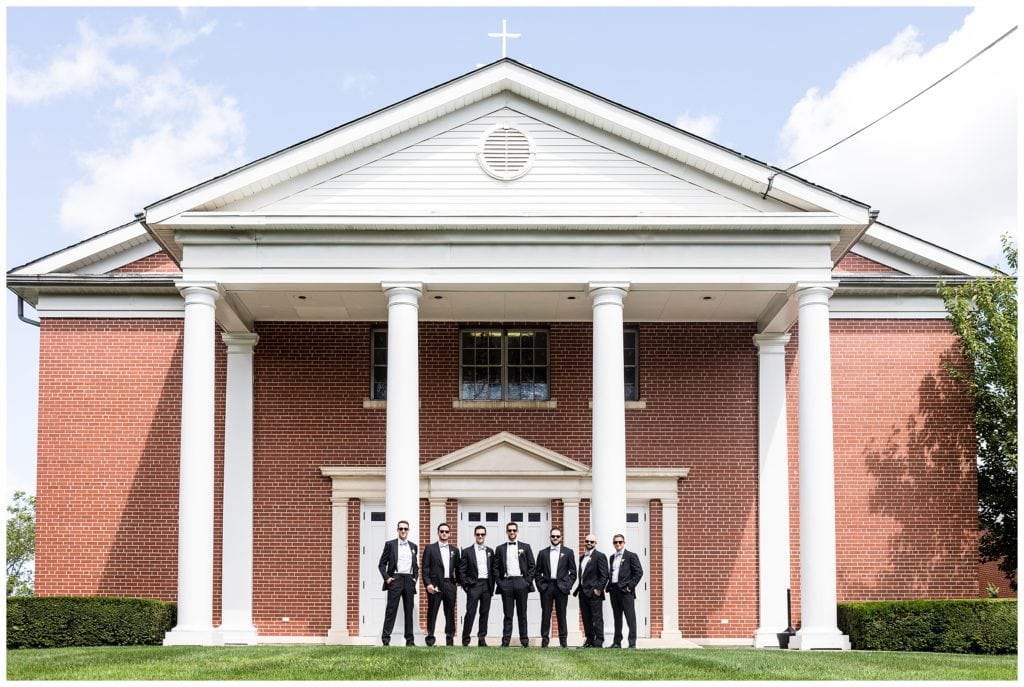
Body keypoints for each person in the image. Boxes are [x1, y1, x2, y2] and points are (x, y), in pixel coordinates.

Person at [492, 521, 536, 647]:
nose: (512, 532)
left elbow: (532, 566)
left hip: (521, 582)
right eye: (509, 530)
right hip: (506, 583)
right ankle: (505, 642)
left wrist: (527, 582)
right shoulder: (500, 548)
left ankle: (524, 641)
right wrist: (500, 583)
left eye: (514, 530)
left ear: (517, 531)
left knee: (522, 614)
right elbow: (495, 568)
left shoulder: (526, 547)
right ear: (506, 532)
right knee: (508, 614)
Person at [378, 519, 418, 646]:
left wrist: (415, 578)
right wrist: (387, 578)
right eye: (401, 529)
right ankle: (385, 639)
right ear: (397, 530)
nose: (403, 531)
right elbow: (381, 564)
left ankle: (410, 641)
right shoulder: (390, 545)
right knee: (391, 610)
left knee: (409, 611)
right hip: (395, 579)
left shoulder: (413, 546)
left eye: (405, 529)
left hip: (409, 580)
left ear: (408, 530)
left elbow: (415, 565)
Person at [534, 527, 576, 648]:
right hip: (547, 587)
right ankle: (545, 641)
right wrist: (541, 586)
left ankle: (563, 642)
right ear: (550, 537)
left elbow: (573, 572)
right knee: (546, 614)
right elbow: (537, 572)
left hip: (562, 588)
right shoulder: (543, 553)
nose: (555, 538)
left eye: (557, 536)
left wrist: (567, 586)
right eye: (553, 536)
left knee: (561, 614)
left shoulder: (568, 552)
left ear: (561, 537)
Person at [421, 522, 460, 646]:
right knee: (432, 612)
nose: (444, 533)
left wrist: (458, 582)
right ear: (438, 533)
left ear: (450, 534)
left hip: (449, 585)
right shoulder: (430, 548)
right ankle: (430, 640)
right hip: (435, 586)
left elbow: (459, 568)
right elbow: (425, 569)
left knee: (450, 613)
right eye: (442, 531)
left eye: (446, 532)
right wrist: (428, 584)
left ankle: (450, 640)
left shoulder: (455, 550)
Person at [459, 525, 495, 647]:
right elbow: (461, 571)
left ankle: (482, 639)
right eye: (478, 534)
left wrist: (492, 586)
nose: (480, 536)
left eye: (482, 534)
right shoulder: (467, 551)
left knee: (484, 613)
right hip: (474, 585)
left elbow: (493, 569)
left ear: (485, 535)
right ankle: (465, 639)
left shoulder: (490, 551)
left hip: (486, 585)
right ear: (474, 535)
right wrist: (466, 585)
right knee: (470, 612)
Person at [606, 533, 643, 648]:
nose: (618, 544)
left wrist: (630, 586)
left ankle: (632, 643)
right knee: (617, 618)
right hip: (614, 590)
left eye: (620, 542)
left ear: (624, 543)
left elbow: (639, 572)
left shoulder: (631, 556)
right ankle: (617, 642)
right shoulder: (612, 557)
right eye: (615, 542)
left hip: (626, 591)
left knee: (630, 618)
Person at [572, 532, 608, 648]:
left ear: (595, 543)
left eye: (591, 541)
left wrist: (598, 589)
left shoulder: (600, 556)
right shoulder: (582, 557)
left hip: (594, 593)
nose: (589, 543)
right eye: (587, 541)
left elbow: (604, 575)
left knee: (597, 617)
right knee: (586, 617)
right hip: (583, 592)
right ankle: (589, 640)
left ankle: (599, 640)